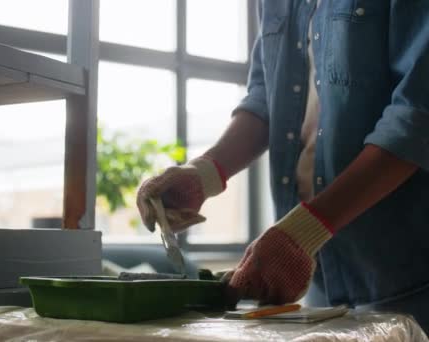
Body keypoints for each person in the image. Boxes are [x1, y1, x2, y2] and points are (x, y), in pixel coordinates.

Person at [137, 0, 429, 332]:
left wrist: (305, 230)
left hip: (411, 279)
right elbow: (266, 95)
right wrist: (204, 174)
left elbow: (417, 116)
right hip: (321, 276)